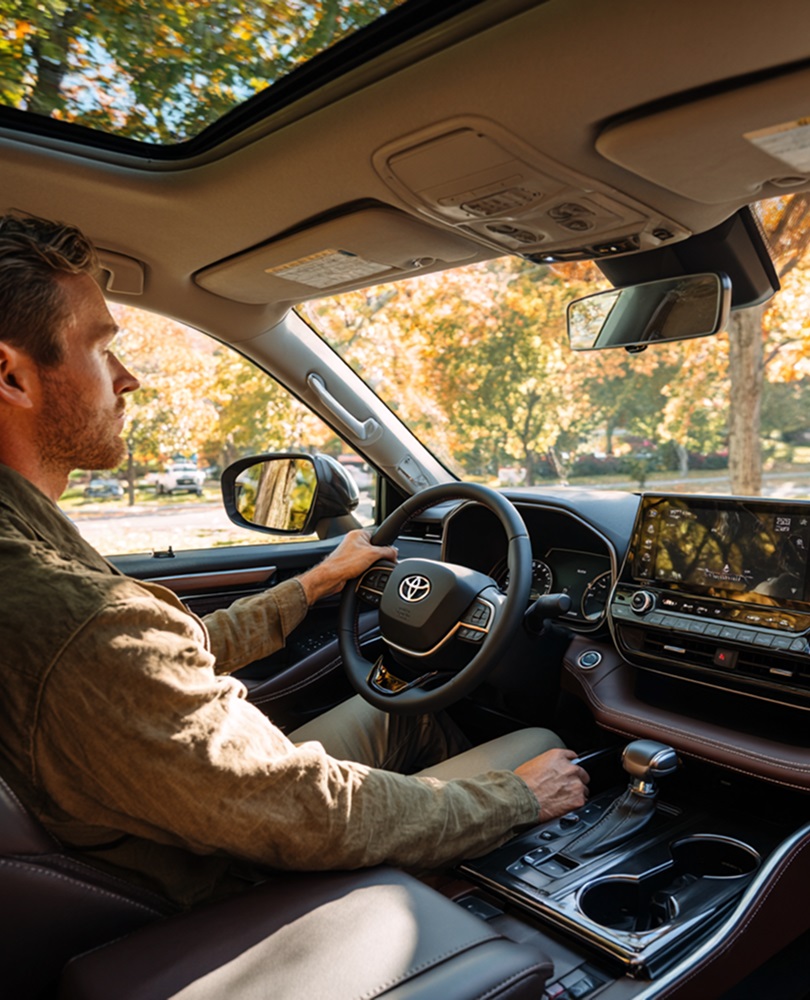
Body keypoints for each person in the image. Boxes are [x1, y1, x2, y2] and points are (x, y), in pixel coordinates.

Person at [0, 212, 589, 908]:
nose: (127, 379)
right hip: (235, 884)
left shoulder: (34, 572)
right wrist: (511, 799)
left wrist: (312, 584)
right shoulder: (76, 623)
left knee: (404, 713)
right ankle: (458, 907)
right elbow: (309, 813)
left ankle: (444, 882)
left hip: (177, 823)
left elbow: (158, 658)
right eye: (102, 350)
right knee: (544, 750)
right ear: (10, 374)